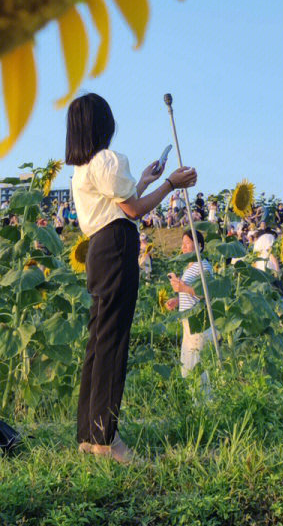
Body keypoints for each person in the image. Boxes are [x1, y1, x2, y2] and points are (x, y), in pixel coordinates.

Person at [66, 93, 196, 463]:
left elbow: (122, 201)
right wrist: (170, 184)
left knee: (99, 340)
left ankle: (90, 436)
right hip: (117, 246)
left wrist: (142, 179)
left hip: (98, 249)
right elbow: (134, 210)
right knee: (113, 341)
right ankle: (108, 440)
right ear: (103, 124)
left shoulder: (83, 168)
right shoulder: (107, 159)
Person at [166, 229, 217, 381]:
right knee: (188, 363)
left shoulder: (203, 266)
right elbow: (192, 293)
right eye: (183, 244)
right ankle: (196, 401)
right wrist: (178, 299)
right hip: (188, 321)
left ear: (200, 246)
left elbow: (207, 293)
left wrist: (183, 288)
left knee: (198, 364)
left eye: (188, 243)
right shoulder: (189, 267)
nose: (184, 247)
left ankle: (204, 402)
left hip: (198, 320)